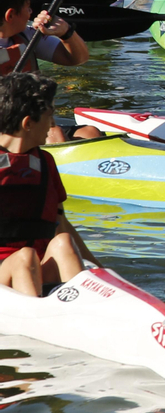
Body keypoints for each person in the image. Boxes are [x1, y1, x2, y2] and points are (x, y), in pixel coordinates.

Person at [0, 73, 97, 298]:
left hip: (36, 269)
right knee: (24, 258)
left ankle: (85, 303)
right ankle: (36, 321)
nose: (53, 125)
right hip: (9, 273)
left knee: (63, 242)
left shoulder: (45, 163)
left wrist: (100, 270)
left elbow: (60, 224)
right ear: (28, 123)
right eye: (49, 116)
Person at [0, 0, 100, 143]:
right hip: (7, 124)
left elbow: (77, 58)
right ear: (10, 15)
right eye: (27, 7)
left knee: (90, 133)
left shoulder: (28, 36)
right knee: (55, 135)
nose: (31, 12)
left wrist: (65, 32)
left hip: (31, 119)